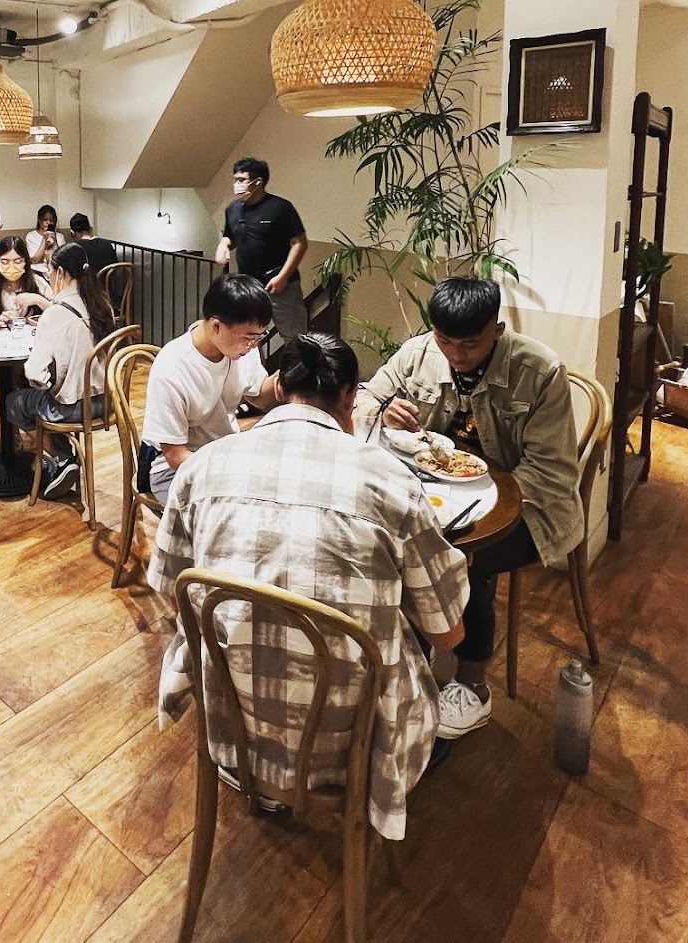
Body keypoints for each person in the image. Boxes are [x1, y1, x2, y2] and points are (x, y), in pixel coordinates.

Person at [149, 333, 469, 840]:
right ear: (350, 396)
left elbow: (171, 587)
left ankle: (262, 779)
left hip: (232, 724)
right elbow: (448, 633)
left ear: (279, 388)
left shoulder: (202, 466)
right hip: (351, 749)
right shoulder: (391, 482)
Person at [357, 276, 583, 740]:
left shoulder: (539, 371)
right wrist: (383, 410)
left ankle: (472, 685)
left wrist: (483, 503)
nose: (455, 355)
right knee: (390, 548)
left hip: (528, 508)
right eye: (445, 340)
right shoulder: (420, 353)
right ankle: (410, 666)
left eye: (470, 344)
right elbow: (364, 397)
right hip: (440, 498)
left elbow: (551, 471)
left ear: (497, 331)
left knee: (459, 558)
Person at [140, 273, 278, 505]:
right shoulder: (172, 369)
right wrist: (229, 472)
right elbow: (175, 456)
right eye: (249, 337)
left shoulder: (243, 349)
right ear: (216, 326)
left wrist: (286, 381)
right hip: (175, 470)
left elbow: (259, 396)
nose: (254, 345)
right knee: (235, 510)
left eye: (259, 336)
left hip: (225, 453)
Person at [4, 241, 116, 497]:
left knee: (14, 402)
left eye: (51, 270)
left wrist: (47, 383)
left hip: (74, 407)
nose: (49, 275)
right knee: (40, 399)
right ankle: (66, 459)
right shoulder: (103, 305)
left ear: (61, 273)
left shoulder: (55, 314)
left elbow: (34, 373)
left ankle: (63, 457)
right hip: (108, 400)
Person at [214, 157, 309, 345]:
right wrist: (222, 245)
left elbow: (300, 243)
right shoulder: (233, 209)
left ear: (258, 182)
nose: (236, 184)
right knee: (246, 337)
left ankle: (298, 366)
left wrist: (282, 277)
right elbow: (230, 236)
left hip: (280, 286)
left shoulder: (281, 207)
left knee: (296, 339)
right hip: (248, 286)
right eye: (235, 179)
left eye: (241, 180)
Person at [0, 236, 53, 329]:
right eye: (5, 262)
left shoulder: (37, 282)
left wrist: (39, 300)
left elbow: (61, 312)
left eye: (18, 261)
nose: (12, 266)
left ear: (25, 262)